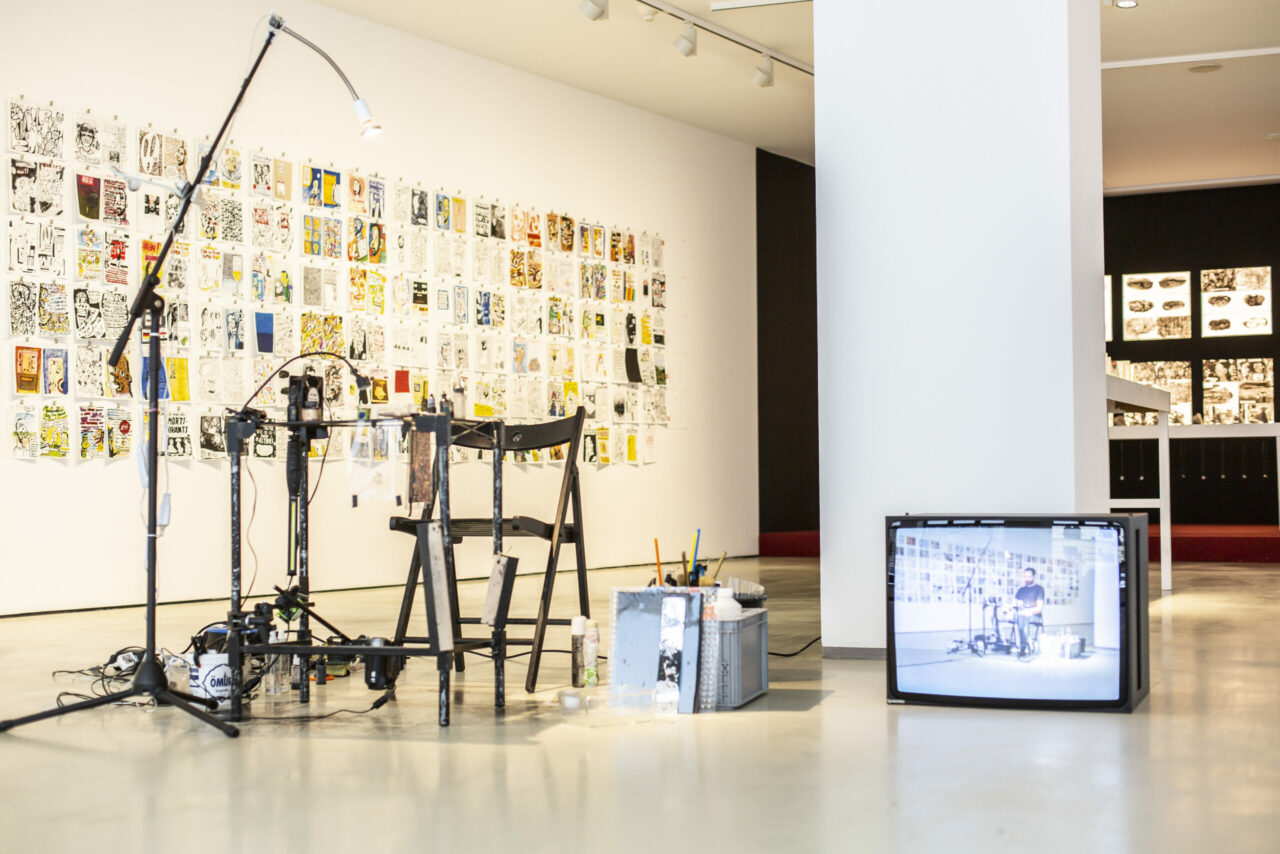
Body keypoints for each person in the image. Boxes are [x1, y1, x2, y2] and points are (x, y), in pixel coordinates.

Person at [1013, 567, 1045, 656]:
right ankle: (1003, 642)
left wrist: (1029, 611)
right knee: (997, 616)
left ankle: (1023, 646)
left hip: (1034, 614)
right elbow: (1015, 604)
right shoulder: (1021, 590)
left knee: (1022, 617)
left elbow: (1039, 608)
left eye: (1029, 577)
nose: (1027, 579)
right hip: (1021, 613)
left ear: (1034, 576)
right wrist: (1008, 608)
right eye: (1025, 577)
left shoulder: (1039, 589)